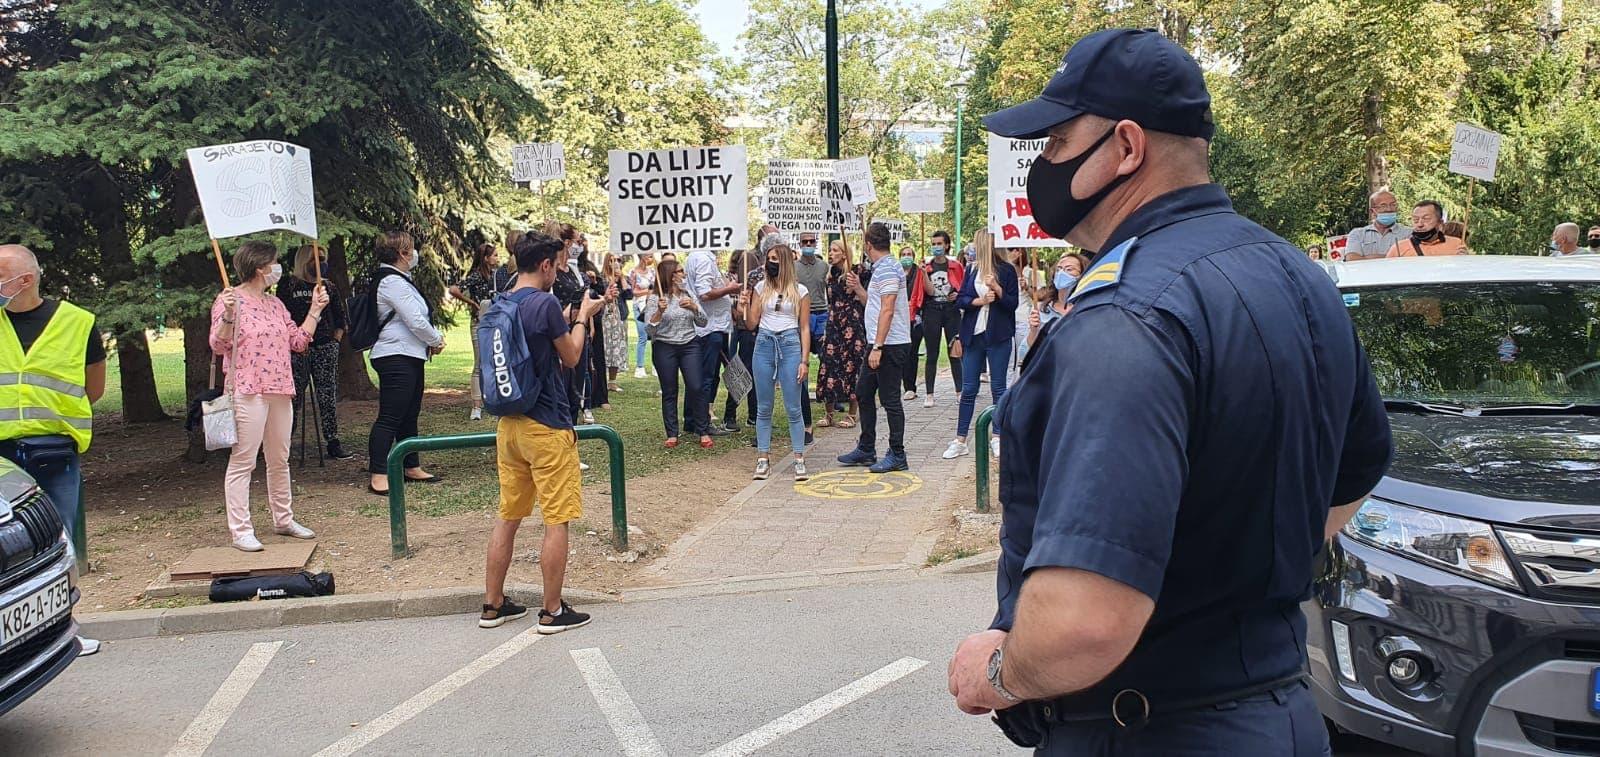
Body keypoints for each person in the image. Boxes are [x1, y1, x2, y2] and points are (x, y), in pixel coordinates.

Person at [951, 28, 1393, 755]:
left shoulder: (1126, 316)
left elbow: (1086, 621)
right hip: (1283, 714)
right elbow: (1356, 470)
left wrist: (996, 672)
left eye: (1058, 140)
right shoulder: (1297, 275)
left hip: (1147, 727)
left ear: (1125, 148)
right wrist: (1234, 561)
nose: (1044, 164)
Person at [479, 231, 604, 633]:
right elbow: (570, 357)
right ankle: (552, 610)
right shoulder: (546, 302)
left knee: (508, 517)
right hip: (547, 425)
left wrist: (565, 321)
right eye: (557, 263)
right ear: (547, 265)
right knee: (557, 519)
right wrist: (583, 318)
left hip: (509, 425)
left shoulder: (503, 301)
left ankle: (493, 603)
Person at [0, 245, 107, 656]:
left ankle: (65, 632)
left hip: (53, 449)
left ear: (25, 280)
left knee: (58, 544)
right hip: (2, 456)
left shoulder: (78, 323)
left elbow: (92, 389)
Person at [209, 240, 324, 550]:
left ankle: (283, 519)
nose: (278, 268)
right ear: (261, 267)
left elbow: (298, 342)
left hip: (280, 388)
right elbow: (219, 346)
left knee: (279, 459)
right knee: (243, 460)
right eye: (274, 263)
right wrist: (229, 316)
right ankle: (241, 530)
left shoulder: (275, 304)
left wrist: (315, 309)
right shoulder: (229, 300)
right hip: (248, 390)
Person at [367, 231, 444, 496]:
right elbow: (415, 320)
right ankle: (378, 472)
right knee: (390, 416)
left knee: (409, 414)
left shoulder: (401, 280)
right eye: (411, 249)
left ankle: (411, 464)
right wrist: (436, 339)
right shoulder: (391, 282)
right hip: (394, 355)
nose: (414, 254)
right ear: (402, 253)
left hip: (410, 354)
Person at [837, 223, 912, 474]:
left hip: (890, 343)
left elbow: (888, 309)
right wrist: (859, 288)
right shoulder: (881, 269)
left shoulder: (888, 268)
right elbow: (876, 305)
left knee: (890, 399)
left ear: (868, 245)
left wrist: (878, 346)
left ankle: (897, 453)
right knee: (864, 392)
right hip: (879, 342)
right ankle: (866, 446)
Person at [738, 234, 811, 482]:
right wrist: (742, 308)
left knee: (793, 406)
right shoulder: (760, 288)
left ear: (785, 262)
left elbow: (804, 328)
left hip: (790, 343)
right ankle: (763, 457)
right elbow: (751, 324)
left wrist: (804, 360)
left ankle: (799, 457)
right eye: (768, 259)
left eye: (774, 259)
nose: (770, 263)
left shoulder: (800, 291)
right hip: (765, 343)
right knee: (763, 406)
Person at [943, 231, 1018, 461]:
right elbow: (962, 299)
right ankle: (960, 439)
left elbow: (1012, 303)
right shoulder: (971, 270)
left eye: (978, 244)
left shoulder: (1006, 271)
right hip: (974, 336)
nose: (974, 248)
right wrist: (980, 301)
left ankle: (997, 436)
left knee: (998, 387)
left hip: (998, 336)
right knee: (969, 389)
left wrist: (996, 287)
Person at [276, 245, 351, 458]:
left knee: (327, 394)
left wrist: (334, 340)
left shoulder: (329, 287)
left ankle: (333, 441)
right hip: (296, 349)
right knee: (293, 397)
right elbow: (283, 316)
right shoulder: (289, 285)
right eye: (315, 259)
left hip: (324, 347)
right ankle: (285, 442)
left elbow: (340, 318)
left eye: (322, 258)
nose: (320, 263)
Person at [645, 259, 713, 449]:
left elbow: (703, 322)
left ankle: (703, 430)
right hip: (665, 346)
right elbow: (649, 331)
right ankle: (672, 433)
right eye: (680, 271)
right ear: (671, 275)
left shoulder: (688, 294)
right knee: (669, 390)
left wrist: (695, 308)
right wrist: (659, 312)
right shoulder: (655, 298)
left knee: (696, 386)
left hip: (690, 344)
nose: (684, 274)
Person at [684, 248, 741, 436]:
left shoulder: (697, 256)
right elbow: (705, 293)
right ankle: (702, 422)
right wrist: (730, 289)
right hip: (710, 327)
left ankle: (692, 419)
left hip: (711, 325)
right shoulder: (703, 259)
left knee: (700, 376)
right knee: (708, 376)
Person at [449, 242, 502, 421]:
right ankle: (476, 406)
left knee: (496, 362)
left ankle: (493, 401)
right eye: (494, 255)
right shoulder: (477, 276)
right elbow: (454, 289)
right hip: (479, 323)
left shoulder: (497, 275)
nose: (497, 258)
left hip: (496, 323)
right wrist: (472, 303)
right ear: (486, 258)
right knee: (479, 363)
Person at [816, 240, 866, 429]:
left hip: (852, 326)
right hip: (833, 325)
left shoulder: (857, 271)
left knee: (853, 367)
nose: (831, 253)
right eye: (830, 250)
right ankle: (829, 414)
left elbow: (866, 299)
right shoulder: (830, 276)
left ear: (845, 254)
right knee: (829, 366)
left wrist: (857, 286)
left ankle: (853, 414)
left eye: (835, 250)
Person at [912, 232, 964, 407]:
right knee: (932, 352)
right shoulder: (927, 266)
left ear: (947, 245)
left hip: (951, 311)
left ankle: (959, 390)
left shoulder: (955, 266)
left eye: (939, 243)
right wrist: (924, 273)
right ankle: (929, 393)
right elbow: (927, 291)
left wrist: (957, 295)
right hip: (932, 310)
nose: (936, 246)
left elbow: (963, 287)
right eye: (933, 243)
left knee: (954, 351)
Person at [1022, 253, 1090, 361]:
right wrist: (1034, 331)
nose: (1062, 273)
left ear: (1082, 275)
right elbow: (1028, 348)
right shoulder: (1042, 309)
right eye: (1059, 269)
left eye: (1069, 269)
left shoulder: (1089, 308)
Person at [794, 232, 827, 443]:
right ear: (800, 244)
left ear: (815, 243)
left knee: (826, 359)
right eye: (804, 242)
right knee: (800, 362)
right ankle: (803, 405)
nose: (808, 245)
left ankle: (831, 401)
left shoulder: (824, 266)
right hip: (801, 316)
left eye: (811, 242)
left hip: (822, 313)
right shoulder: (793, 267)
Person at [723, 249, 760, 432]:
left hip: (759, 328)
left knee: (757, 373)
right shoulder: (750, 277)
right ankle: (730, 414)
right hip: (745, 329)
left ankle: (754, 415)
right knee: (742, 371)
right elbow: (737, 310)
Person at [1344, 189, 1411, 261]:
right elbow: (1352, 260)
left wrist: (1367, 258)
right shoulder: (1358, 234)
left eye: (1393, 205)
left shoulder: (1409, 233)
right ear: (1372, 211)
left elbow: (1411, 259)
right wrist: (1395, 257)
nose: (1389, 209)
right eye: (1383, 205)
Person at [1384, 200, 1467, 257]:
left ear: (1440, 223)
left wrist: (1466, 260)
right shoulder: (1398, 248)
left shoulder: (1456, 244)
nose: (1420, 224)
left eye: (1426, 218)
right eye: (1416, 220)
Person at [599, 254, 628, 393]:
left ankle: (612, 381)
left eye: (618, 260)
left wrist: (621, 278)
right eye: (613, 260)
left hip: (619, 315)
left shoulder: (622, 278)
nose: (616, 263)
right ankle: (601, 378)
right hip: (604, 316)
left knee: (616, 346)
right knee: (604, 346)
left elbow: (629, 294)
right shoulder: (601, 278)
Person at [628, 253, 658, 379]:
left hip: (652, 305)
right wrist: (647, 291)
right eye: (649, 256)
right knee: (642, 336)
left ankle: (655, 365)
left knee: (655, 334)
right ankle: (639, 367)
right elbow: (633, 291)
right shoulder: (634, 272)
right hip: (639, 305)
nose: (651, 259)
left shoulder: (652, 272)